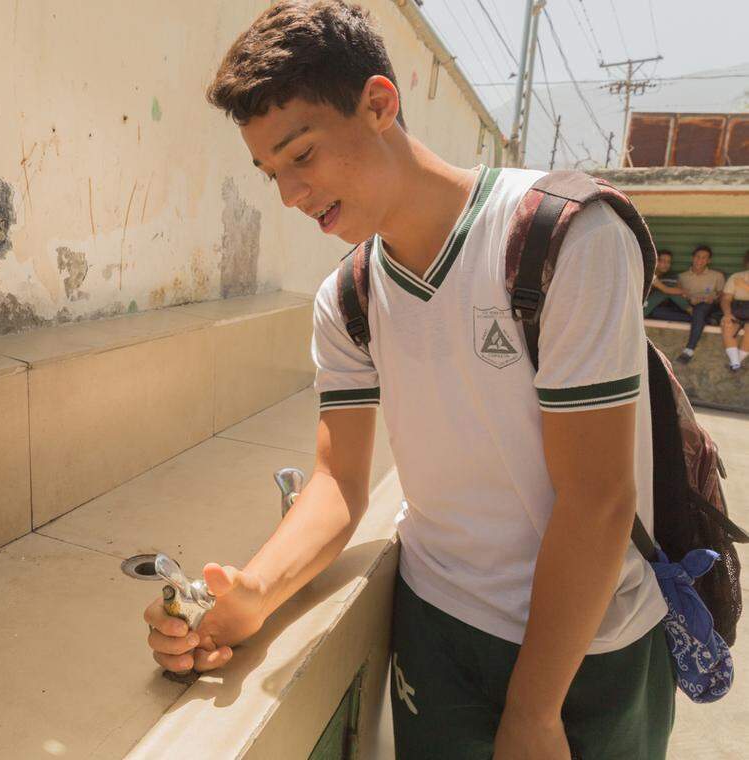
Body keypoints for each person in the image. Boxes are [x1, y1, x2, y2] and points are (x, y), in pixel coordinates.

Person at [141, 3, 673, 758]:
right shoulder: (348, 298)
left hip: (589, 650)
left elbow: (597, 499)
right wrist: (250, 595)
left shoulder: (564, 236)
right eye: (271, 173)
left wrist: (533, 712)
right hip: (436, 633)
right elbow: (338, 483)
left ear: (379, 103)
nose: (290, 195)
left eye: (302, 155)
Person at [676, 245, 725, 363]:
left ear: (709, 260)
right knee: (658, 312)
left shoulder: (717, 276)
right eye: (697, 257)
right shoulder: (682, 277)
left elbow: (722, 296)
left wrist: (712, 298)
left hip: (709, 306)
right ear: (693, 258)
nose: (700, 260)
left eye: (704, 258)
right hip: (689, 307)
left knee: (699, 310)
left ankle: (689, 350)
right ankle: (706, 320)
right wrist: (690, 299)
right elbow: (679, 294)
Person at [720, 250, 749, 371]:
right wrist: (727, 314)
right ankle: (736, 363)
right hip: (738, 310)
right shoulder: (736, 277)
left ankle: (736, 363)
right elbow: (726, 299)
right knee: (727, 324)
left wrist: (745, 286)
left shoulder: (740, 281)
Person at [644, 249, 690, 321]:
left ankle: (693, 314)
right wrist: (683, 291)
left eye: (668, 262)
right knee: (662, 292)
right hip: (643, 307)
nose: (666, 265)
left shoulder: (670, 276)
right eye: (663, 261)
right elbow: (666, 289)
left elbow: (678, 290)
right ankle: (692, 311)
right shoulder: (650, 274)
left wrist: (682, 292)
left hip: (658, 310)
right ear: (656, 262)